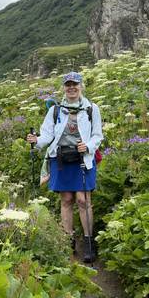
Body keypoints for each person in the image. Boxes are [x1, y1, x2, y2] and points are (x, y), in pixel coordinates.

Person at [26, 72, 103, 263]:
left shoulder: (92, 109)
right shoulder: (55, 110)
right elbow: (46, 135)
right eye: (68, 85)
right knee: (67, 199)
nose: (71, 88)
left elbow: (97, 135)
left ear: (80, 86)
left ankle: (88, 242)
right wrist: (36, 140)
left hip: (83, 158)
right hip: (60, 158)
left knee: (83, 199)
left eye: (74, 84)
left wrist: (89, 146)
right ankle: (68, 240)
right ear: (64, 88)